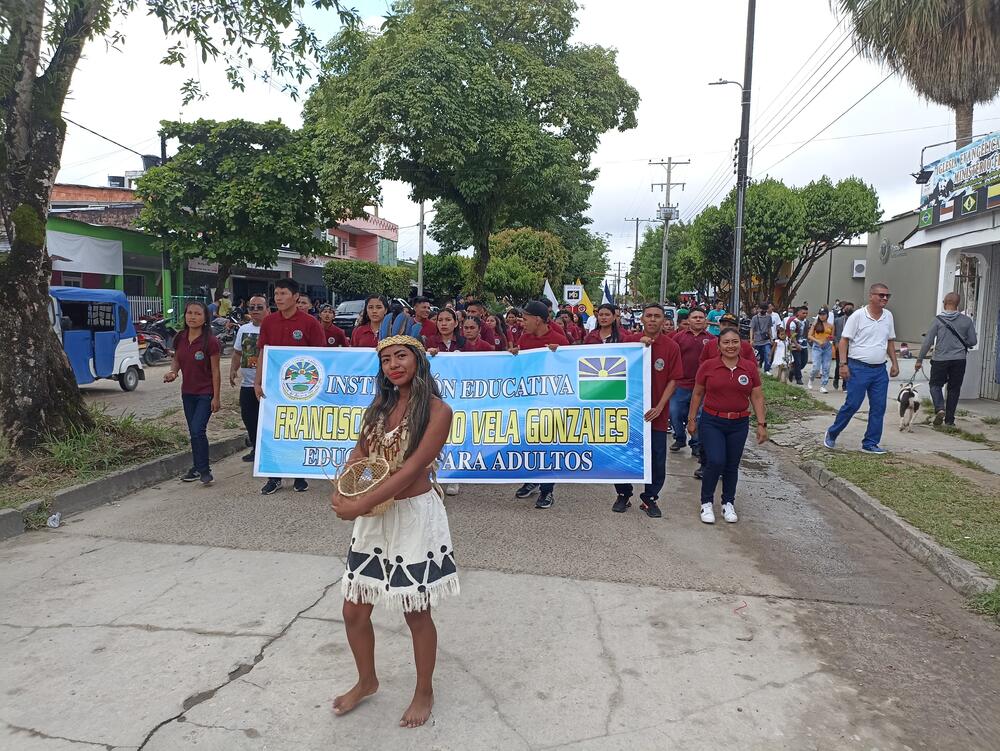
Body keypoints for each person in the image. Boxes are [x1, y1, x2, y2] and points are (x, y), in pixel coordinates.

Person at [330, 334, 457, 729]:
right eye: (386, 360)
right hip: (374, 516)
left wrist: (358, 505)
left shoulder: (438, 411)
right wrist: (344, 490)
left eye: (401, 356)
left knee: (416, 612)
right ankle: (367, 681)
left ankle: (424, 691)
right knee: (353, 609)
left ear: (418, 360)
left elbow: (412, 470)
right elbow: (360, 456)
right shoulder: (378, 408)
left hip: (414, 517)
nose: (393, 365)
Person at [608, 304, 682, 517]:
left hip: (655, 415)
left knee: (657, 458)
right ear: (641, 319)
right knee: (622, 455)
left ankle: (650, 498)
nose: (652, 320)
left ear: (663, 320)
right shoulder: (628, 342)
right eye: (648, 316)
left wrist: (660, 407)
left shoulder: (671, 347)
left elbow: (674, 379)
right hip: (629, 414)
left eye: (657, 316)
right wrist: (636, 347)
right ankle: (623, 494)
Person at [688, 327, 767, 524]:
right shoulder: (708, 366)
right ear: (719, 345)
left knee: (732, 464)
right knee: (715, 461)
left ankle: (727, 503)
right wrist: (691, 420)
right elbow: (697, 394)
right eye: (726, 342)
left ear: (741, 344)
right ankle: (706, 502)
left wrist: (761, 423)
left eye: (735, 342)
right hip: (712, 421)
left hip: (739, 423)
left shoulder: (749, 368)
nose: (731, 346)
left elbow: (756, 396)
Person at [254, 278, 326, 494]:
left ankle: (300, 475)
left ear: (295, 297)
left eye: (284, 293)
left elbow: (320, 356)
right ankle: (274, 477)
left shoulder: (310, 323)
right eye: (276, 294)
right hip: (274, 387)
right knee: (274, 430)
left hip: (302, 387)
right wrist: (257, 381)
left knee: (300, 428)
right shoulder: (269, 322)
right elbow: (262, 353)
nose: (279, 297)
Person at [824, 283, 899, 454]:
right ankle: (833, 432)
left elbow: (890, 341)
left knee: (879, 407)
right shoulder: (858, 316)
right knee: (852, 404)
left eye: (887, 296)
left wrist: (895, 363)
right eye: (881, 295)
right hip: (858, 368)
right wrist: (843, 365)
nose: (885, 298)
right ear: (871, 296)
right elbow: (844, 341)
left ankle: (870, 443)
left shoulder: (888, 316)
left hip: (879, 370)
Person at [510, 301, 568, 509]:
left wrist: (560, 355)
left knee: (548, 445)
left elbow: (568, 371)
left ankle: (547, 490)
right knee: (530, 443)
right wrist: (514, 357)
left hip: (551, 403)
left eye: (525, 319)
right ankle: (532, 479)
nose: (521, 322)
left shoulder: (559, 340)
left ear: (538, 319)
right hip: (529, 401)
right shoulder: (524, 338)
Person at [164, 301, 221, 485]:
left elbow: (215, 371)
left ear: (205, 318)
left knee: (198, 430)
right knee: (193, 432)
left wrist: (217, 397)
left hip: (205, 393)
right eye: (189, 313)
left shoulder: (210, 341)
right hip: (187, 393)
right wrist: (173, 372)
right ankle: (197, 467)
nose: (192, 317)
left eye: (197, 314)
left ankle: (204, 471)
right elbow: (177, 359)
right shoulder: (180, 337)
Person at [915, 291, 978, 426]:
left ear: (944, 303)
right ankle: (950, 421)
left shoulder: (937, 320)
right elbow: (973, 341)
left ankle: (939, 408)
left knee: (935, 385)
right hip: (959, 360)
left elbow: (928, 342)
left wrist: (919, 359)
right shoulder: (967, 321)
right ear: (958, 305)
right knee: (954, 389)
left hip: (940, 359)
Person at [669, 308, 714, 456]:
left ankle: (695, 444)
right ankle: (680, 438)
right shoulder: (678, 338)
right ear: (688, 320)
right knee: (674, 412)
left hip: (702, 386)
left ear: (705, 320)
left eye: (701, 317)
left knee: (698, 417)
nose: (698, 320)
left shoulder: (712, 340)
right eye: (695, 317)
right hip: (681, 384)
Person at [229, 295, 267, 463]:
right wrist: (233, 370)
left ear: (267, 309)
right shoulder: (243, 330)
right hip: (247, 384)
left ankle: (266, 450)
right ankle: (256, 448)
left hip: (267, 385)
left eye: (259, 307)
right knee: (248, 417)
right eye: (252, 307)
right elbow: (238, 353)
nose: (255, 311)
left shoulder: (271, 328)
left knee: (266, 419)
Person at [807, 307, 834, 393]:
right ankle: (811, 379)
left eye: (824, 314)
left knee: (826, 367)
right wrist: (817, 341)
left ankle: (823, 385)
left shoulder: (831, 325)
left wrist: (830, 338)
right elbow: (809, 335)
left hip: (827, 347)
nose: (822, 316)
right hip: (817, 346)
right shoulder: (815, 324)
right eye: (820, 314)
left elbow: (832, 336)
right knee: (816, 367)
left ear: (827, 315)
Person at [832, 301, 854, 391]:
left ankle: (845, 385)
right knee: (839, 364)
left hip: (851, 347)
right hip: (839, 346)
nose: (848, 309)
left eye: (851, 308)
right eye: (847, 308)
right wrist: (836, 343)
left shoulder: (855, 320)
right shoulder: (838, 320)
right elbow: (834, 334)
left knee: (848, 365)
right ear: (844, 309)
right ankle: (836, 379)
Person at [786, 306, 810, 385]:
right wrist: (796, 344)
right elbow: (792, 335)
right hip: (795, 345)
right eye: (803, 313)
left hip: (804, 344)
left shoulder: (807, 322)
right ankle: (798, 378)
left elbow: (807, 333)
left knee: (804, 361)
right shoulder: (794, 322)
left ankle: (793, 371)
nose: (805, 315)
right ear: (798, 313)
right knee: (798, 362)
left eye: (806, 313)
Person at [749, 304, 773, 371]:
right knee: (755, 356)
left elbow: (769, 328)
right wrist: (751, 339)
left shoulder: (769, 317)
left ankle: (767, 369)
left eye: (765, 309)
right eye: (762, 309)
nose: (764, 311)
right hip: (757, 340)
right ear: (759, 309)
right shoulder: (755, 318)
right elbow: (752, 329)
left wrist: (771, 338)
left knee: (768, 354)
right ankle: (753, 368)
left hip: (766, 340)